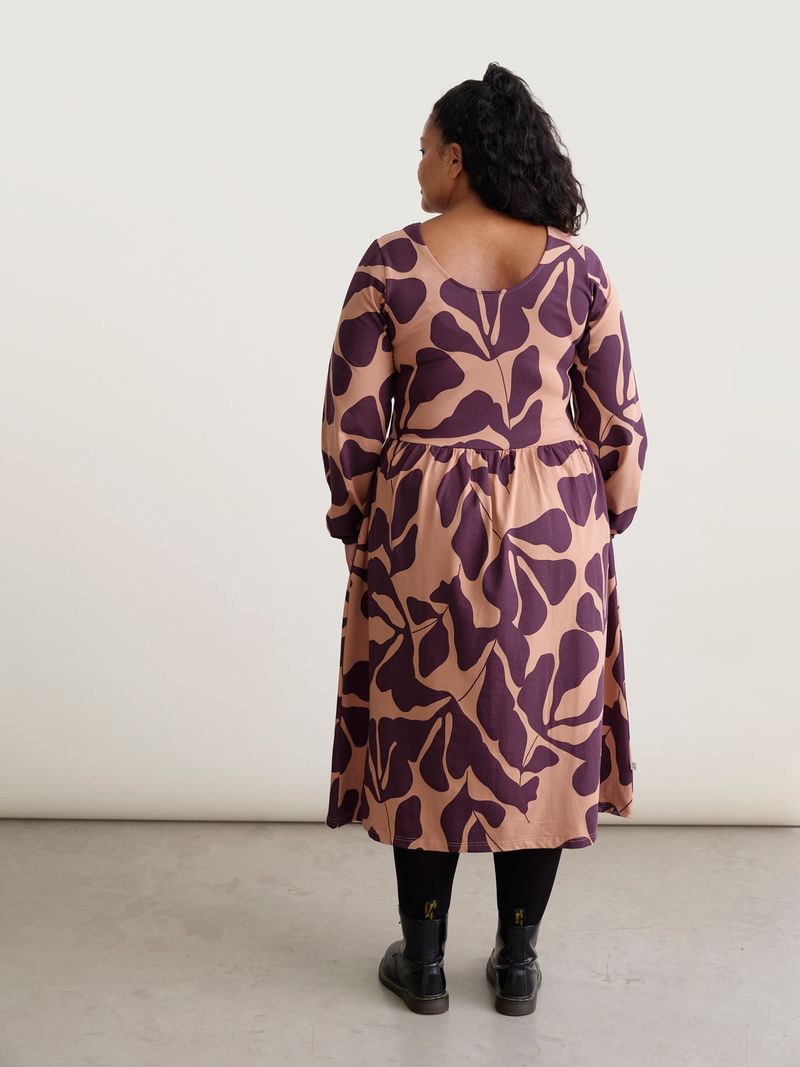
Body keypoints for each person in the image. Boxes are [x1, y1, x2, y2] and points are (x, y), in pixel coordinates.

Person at [320, 61, 648, 1016]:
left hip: (423, 514)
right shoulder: (579, 267)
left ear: (457, 157)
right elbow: (619, 418)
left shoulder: (390, 262)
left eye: (425, 148)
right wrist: (606, 512)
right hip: (557, 522)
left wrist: (358, 519)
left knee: (422, 721)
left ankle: (423, 960)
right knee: (539, 731)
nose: (418, 164)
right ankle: (516, 961)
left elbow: (349, 421)